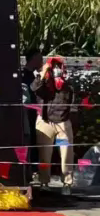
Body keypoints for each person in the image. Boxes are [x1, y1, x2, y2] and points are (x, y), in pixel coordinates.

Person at [32, 58, 77, 189]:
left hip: (62, 124)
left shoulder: (68, 85)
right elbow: (34, 87)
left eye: (59, 66)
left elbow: (72, 104)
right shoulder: (43, 83)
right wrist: (43, 72)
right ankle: (44, 182)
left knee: (66, 154)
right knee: (44, 155)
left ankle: (67, 183)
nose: (56, 69)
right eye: (54, 66)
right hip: (45, 123)